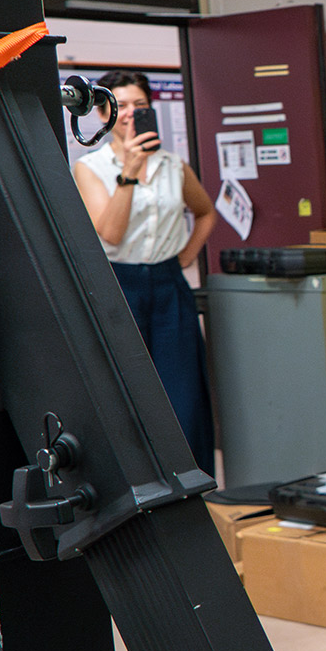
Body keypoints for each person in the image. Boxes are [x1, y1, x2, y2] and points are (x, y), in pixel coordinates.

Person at [71, 70, 218, 476]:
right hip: (120, 287)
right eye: (120, 105)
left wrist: (185, 257)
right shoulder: (90, 168)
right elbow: (111, 234)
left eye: (140, 105)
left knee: (183, 396)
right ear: (102, 114)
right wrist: (130, 172)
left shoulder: (174, 166)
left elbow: (205, 212)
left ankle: (194, 487)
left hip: (170, 286)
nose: (131, 113)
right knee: (128, 397)